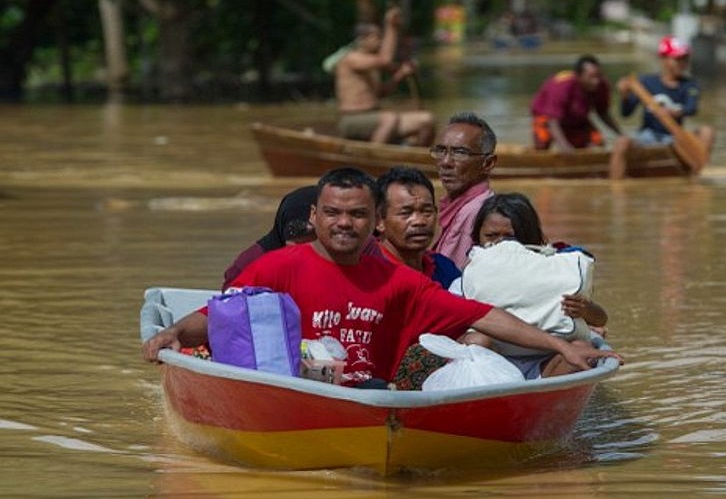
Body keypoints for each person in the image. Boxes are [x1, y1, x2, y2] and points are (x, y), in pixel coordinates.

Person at [142, 168, 621, 388]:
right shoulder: (276, 268)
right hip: (299, 389)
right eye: (332, 213)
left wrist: (559, 346)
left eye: (355, 214)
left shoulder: (396, 281)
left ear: (372, 220)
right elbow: (224, 315)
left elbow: (484, 315)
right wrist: (174, 332)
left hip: (370, 395)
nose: (343, 224)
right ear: (315, 215)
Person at [453, 193, 609, 379]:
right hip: (492, 365)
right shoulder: (467, 280)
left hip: (548, 364)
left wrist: (585, 309)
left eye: (510, 237)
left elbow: (600, 320)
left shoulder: (556, 271)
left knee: (582, 348)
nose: (502, 245)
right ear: (478, 238)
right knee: (475, 341)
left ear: (529, 237)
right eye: (491, 236)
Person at [609, 35, 716, 178]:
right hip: (647, 136)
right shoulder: (645, 82)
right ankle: (616, 190)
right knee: (621, 143)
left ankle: (694, 175)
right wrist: (624, 95)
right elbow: (626, 113)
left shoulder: (690, 85)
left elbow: (691, 109)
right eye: (677, 59)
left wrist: (673, 113)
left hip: (674, 138)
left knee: (707, 131)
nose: (682, 63)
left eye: (685, 59)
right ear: (664, 60)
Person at [331, 6, 435, 146]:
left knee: (427, 120)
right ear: (363, 39)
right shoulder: (351, 59)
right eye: (377, 37)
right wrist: (390, 26)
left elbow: (380, 93)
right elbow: (385, 60)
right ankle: (372, 157)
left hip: (374, 117)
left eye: (381, 37)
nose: (380, 41)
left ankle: (412, 159)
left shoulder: (371, 64)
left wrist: (400, 75)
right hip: (352, 120)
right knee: (389, 119)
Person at [429, 111, 498, 269]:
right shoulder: (463, 207)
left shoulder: (474, 212)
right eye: (440, 151)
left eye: (460, 153)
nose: (445, 162)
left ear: (488, 164)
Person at [375, 166, 460, 289]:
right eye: (406, 213)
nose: (419, 221)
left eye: (427, 211)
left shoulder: (443, 268)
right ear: (379, 221)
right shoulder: (368, 272)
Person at [222, 186, 317, 289]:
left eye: (312, 239)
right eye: (297, 242)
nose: (303, 250)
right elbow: (230, 298)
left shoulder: (330, 255)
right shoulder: (250, 263)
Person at [530, 54, 622, 151]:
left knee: (597, 144)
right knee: (542, 145)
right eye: (591, 77)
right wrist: (564, 146)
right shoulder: (563, 86)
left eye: (598, 76)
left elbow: (603, 113)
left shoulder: (602, 86)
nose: (596, 81)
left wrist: (620, 135)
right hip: (547, 117)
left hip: (576, 120)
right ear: (578, 76)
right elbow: (553, 120)